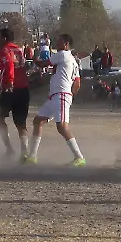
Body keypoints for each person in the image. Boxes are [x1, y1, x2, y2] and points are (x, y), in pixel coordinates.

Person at [25, 34, 85, 166]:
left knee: (62, 126)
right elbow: (77, 83)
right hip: (57, 95)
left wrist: (33, 57)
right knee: (38, 121)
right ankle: (32, 156)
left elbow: (43, 64)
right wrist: (71, 95)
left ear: (66, 44)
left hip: (61, 94)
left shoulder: (63, 54)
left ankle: (79, 157)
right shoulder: (73, 60)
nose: (56, 45)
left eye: (59, 42)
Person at [0, 28, 32, 159]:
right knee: (21, 123)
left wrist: (10, 82)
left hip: (10, 90)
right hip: (24, 89)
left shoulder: (4, 50)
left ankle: (9, 149)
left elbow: (9, 68)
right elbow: (17, 69)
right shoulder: (18, 50)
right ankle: (24, 153)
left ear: (4, 39)